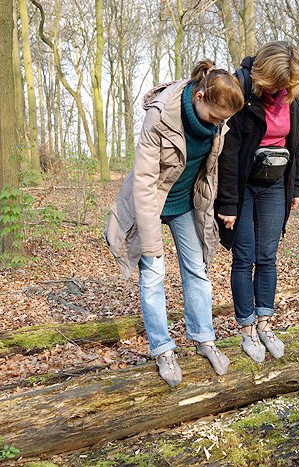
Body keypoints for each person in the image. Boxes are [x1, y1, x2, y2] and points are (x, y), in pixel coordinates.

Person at [105, 60, 244, 387]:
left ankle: (203, 337)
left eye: (224, 120)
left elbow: (209, 169)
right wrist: (152, 245)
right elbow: (144, 182)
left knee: (197, 269)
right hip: (150, 202)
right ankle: (162, 348)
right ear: (199, 97)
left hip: (185, 202)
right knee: (153, 272)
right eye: (215, 116)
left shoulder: (217, 120)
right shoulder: (161, 115)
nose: (218, 124)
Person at [215, 41, 299, 363]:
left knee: (267, 256)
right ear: (262, 76)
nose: (279, 91)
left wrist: (295, 186)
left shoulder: (294, 93)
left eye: (284, 86)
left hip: (275, 184)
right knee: (244, 256)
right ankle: (247, 328)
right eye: (274, 85)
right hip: (242, 187)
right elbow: (227, 153)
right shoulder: (241, 89)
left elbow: (297, 143)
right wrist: (226, 204)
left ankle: (265, 322)